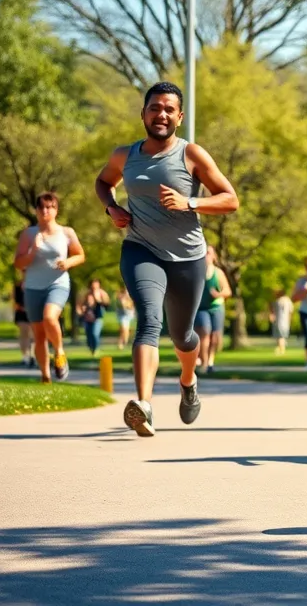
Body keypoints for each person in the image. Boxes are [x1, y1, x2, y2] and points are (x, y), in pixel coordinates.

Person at [95, 81, 239, 437]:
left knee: (183, 336)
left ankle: (188, 381)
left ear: (180, 116)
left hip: (187, 258)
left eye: (168, 109)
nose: (161, 114)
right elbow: (103, 182)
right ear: (143, 113)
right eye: (154, 108)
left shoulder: (192, 155)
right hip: (140, 248)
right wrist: (111, 207)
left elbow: (230, 199)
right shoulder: (124, 155)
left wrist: (190, 202)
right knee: (148, 320)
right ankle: (143, 406)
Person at [13, 192, 85, 383]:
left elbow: (80, 255)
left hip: (57, 284)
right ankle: (45, 376)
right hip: (33, 287)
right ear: (36, 211)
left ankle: (60, 352)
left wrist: (68, 262)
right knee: (39, 335)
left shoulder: (66, 232)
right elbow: (19, 263)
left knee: (49, 317)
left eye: (50, 207)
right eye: (41, 207)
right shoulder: (28, 234)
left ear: (56, 210)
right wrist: (32, 251)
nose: (45, 211)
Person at [194, 245, 231, 374]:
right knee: (204, 333)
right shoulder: (197, 272)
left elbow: (228, 291)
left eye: (209, 253)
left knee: (215, 336)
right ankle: (203, 363)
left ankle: (210, 362)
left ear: (213, 256)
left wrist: (218, 294)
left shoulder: (218, 273)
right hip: (201, 308)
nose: (206, 255)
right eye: (204, 253)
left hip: (216, 307)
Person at [77, 279, 111, 356]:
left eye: (96, 285)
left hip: (97, 317)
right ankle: (91, 348)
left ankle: (96, 348)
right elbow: (80, 304)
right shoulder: (86, 294)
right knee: (89, 335)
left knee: (95, 334)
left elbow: (107, 304)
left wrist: (98, 299)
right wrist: (81, 310)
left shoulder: (102, 293)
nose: (94, 287)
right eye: (93, 285)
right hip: (87, 317)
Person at [13, 280, 35, 368]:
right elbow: (14, 301)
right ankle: (25, 356)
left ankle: (32, 355)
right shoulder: (17, 286)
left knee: (33, 336)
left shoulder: (36, 284)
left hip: (33, 312)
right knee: (24, 334)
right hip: (21, 313)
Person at [270, 287, 294, 354]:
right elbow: (291, 311)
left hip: (281, 321)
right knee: (280, 336)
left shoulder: (280, 301)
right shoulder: (283, 300)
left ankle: (281, 350)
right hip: (281, 321)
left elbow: (290, 311)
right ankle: (280, 348)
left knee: (280, 336)